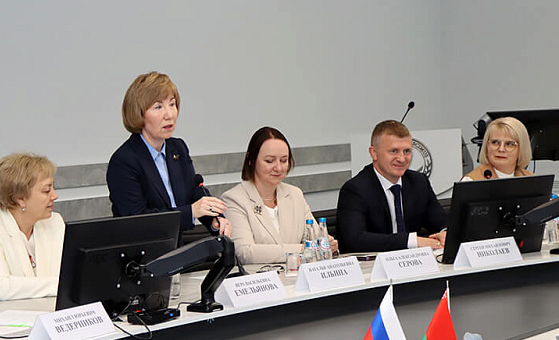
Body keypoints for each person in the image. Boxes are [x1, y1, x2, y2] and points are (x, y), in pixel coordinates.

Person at [106, 71, 231, 239]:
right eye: (158, 107)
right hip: (144, 251)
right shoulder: (124, 161)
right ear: (139, 113)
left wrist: (214, 219)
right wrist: (190, 212)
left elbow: (193, 193)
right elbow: (137, 220)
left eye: (172, 104)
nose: (169, 114)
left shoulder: (177, 148)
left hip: (177, 247)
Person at [223, 127, 337, 264]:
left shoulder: (295, 194)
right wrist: (303, 249)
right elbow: (245, 252)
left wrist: (327, 244)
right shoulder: (234, 199)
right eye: (269, 161)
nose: (278, 168)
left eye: (283, 160)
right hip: (259, 276)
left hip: (296, 274)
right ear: (250, 159)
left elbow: (314, 237)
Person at [0, 153, 65, 306]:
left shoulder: (54, 222)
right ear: (20, 198)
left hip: (44, 314)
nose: (55, 196)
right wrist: (62, 284)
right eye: (46, 190)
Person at [337, 120, 447, 253]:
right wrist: (412, 241)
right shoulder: (355, 190)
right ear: (374, 153)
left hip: (414, 261)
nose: (402, 159)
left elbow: (440, 220)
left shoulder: (419, 182)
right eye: (394, 151)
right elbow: (355, 240)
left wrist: (445, 233)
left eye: (407, 151)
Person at [463, 117, 534, 181]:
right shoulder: (470, 181)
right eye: (495, 142)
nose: (501, 149)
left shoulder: (531, 179)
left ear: (521, 149)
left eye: (509, 144)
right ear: (486, 146)